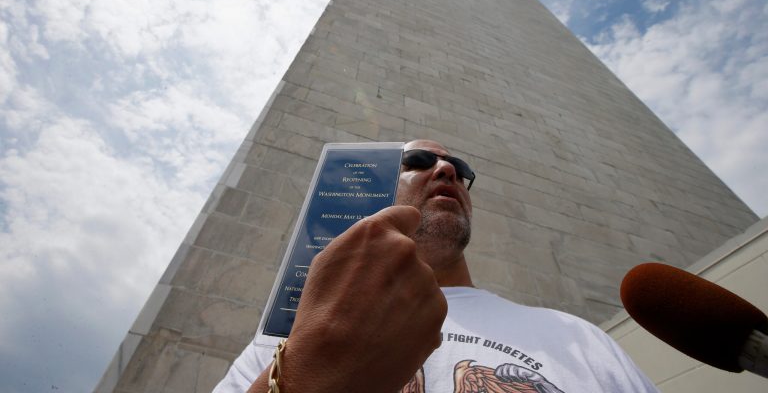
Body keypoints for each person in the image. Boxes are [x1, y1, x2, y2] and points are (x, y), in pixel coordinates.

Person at [214, 140, 658, 392]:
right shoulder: (291, 338)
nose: (446, 169)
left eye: (458, 168)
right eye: (419, 162)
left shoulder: (577, 338)